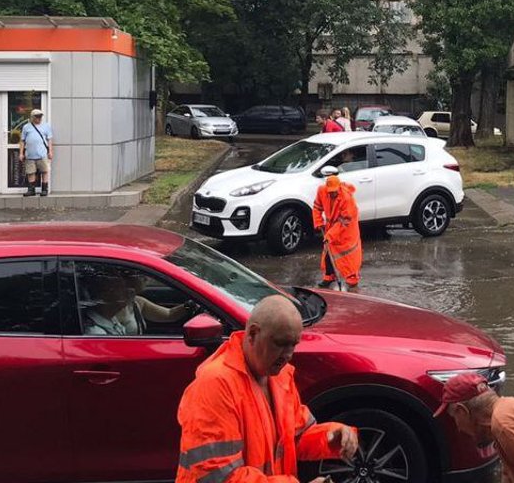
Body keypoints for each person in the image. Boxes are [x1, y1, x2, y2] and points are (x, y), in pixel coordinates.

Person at [175, 295, 360, 483]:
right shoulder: (215, 385)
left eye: (293, 345)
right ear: (253, 334)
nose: (288, 355)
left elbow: (294, 438)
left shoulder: (280, 377)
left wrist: (330, 436)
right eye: (280, 343)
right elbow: (219, 477)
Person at [83, 270, 197, 336]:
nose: (146, 279)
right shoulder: (98, 326)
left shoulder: (136, 302)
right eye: (141, 275)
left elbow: (169, 315)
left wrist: (192, 304)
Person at [313, 171, 362, 290]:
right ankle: (329, 277)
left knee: (349, 256)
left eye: (335, 191)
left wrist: (330, 234)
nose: (333, 193)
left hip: (347, 228)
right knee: (328, 252)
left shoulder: (346, 198)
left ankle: (352, 281)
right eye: (331, 191)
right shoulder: (322, 191)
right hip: (332, 226)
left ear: (339, 188)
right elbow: (317, 207)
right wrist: (318, 222)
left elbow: (344, 221)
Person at [19, 108, 54, 197]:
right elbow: (22, 141)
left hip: (42, 154)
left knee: (44, 171)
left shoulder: (46, 126)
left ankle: (44, 189)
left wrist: (50, 151)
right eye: (37, 116)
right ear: (32, 117)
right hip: (30, 155)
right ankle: (31, 190)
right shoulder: (26, 127)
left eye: (40, 116)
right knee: (31, 172)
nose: (39, 118)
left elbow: (49, 139)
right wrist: (21, 153)